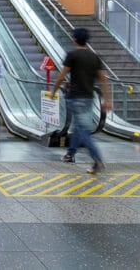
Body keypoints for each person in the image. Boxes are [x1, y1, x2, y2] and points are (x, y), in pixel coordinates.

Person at [51, 27, 113, 175]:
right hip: (89, 98)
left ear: (74, 39)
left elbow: (61, 76)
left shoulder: (72, 55)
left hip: (75, 97)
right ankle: (70, 154)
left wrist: (53, 91)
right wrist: (106, 100)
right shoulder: (94, 57)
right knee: (78, 127)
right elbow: (103, 80)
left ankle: (97, 159)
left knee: (83, 130)